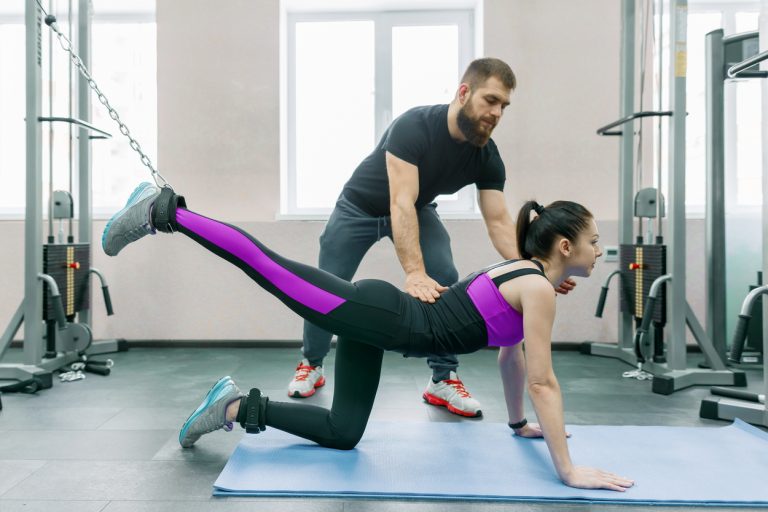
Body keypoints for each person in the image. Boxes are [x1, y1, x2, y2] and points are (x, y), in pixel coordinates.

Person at [101, 183, 632, 491]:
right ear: (565, 245)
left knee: (343, 430)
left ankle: (234, 407)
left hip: (380, 324)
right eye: (594, 241)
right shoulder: (535, 287)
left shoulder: (529, 278)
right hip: (378, 313)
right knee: (266, 265)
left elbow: (512, 362)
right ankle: (163, 211)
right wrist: (568, 470)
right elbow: (544, 381)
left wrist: (518, 425)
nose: (599, 250)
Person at [293, 57, 573, 416]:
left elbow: (500, 221)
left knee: (443, 275)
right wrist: (412, 272)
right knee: (327, 285)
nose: (497, 112)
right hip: (359, 207)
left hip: (417, 206)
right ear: (463, 92)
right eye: (490, 100)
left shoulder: (486, 155)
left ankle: (442, 379)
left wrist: (537, 267)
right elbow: (400, 201)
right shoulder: (415, 126)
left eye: (504, 105)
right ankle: (311, 365)